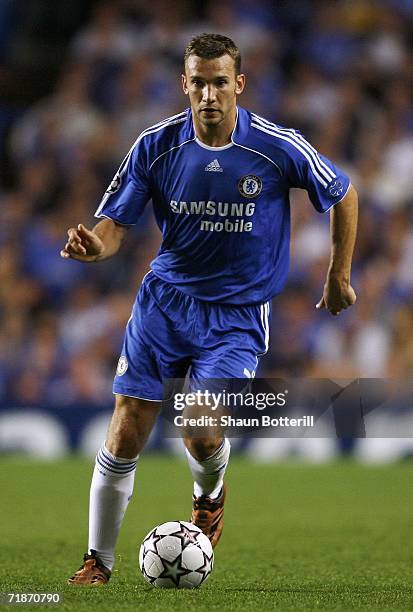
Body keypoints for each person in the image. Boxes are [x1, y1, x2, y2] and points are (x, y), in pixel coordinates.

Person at [61, 33, 358, 585]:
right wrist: (94, 247)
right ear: (184, 85)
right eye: (198, 82)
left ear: (238, 84)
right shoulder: (156, 145)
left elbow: (342, 193)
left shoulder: (275, 146)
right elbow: (113, 228)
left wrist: (338, 276)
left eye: (220, 82)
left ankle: (209, 495)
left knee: (198, 426)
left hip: (237, 316)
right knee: (127, 428)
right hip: (164, 304)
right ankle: (97, 562)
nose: (208, 94)